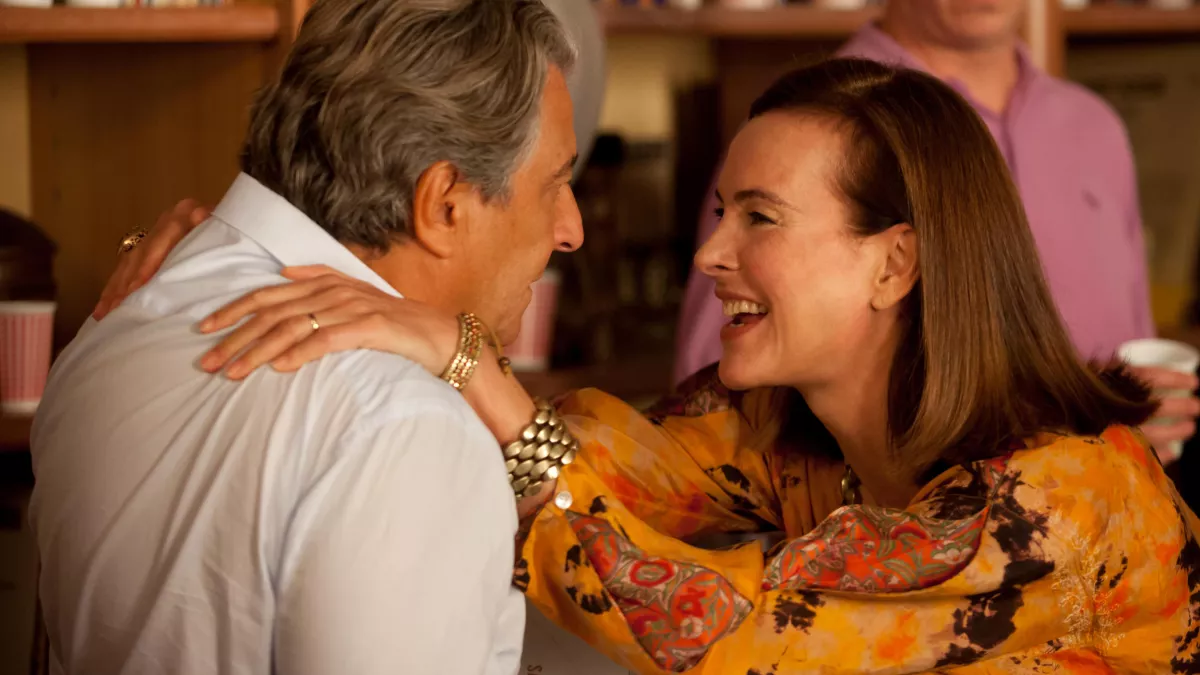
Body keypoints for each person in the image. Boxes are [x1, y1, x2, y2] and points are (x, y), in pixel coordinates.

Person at [110, 58, 1200, 673]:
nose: (710, 254)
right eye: (721, 211)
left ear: (894, 264)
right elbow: (581, 467)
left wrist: (461, 354)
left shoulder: (1060, 501)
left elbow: (721, 628)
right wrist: (206, 283)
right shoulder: (773, 430)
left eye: (759, 217)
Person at [29, 0, 582, 673]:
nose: (572, 230)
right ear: (443, 205)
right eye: (555, 184)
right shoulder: (406, 425)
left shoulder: (123, 312)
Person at [674, 0, 1200, 456]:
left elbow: (1134, 334)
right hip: (896, 517)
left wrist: (1127, 410)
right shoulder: (808, 129)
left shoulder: (1094, 127)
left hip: (1108, 506)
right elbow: (719, 404)